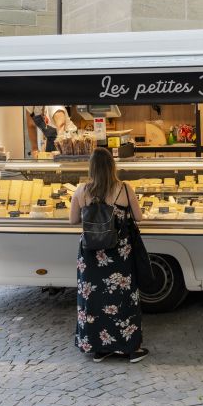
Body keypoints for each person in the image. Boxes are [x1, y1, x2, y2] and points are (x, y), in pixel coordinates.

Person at [69, 146, 148, 362]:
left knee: (93, 299)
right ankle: (130, 348)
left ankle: (99, 349)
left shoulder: (81, 190)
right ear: (112, 166)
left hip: (91, 255)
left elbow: (73, 220)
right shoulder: (124, 189)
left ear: (91, 168)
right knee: (123, 298)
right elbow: (139, 217)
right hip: (119, 254)